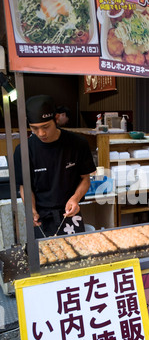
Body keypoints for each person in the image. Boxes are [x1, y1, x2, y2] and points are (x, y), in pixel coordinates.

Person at [14, 95, 96, 238]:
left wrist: (75, 199)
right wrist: (31, 209)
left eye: (46, 127)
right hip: (41, 218)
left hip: (70, 213)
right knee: (43, 257)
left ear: (56, 119)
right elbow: (25, 186)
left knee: (77, 255)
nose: (41, 133)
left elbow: (85, 179)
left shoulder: (77, 144)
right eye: (34, 128)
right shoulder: (23, 150)